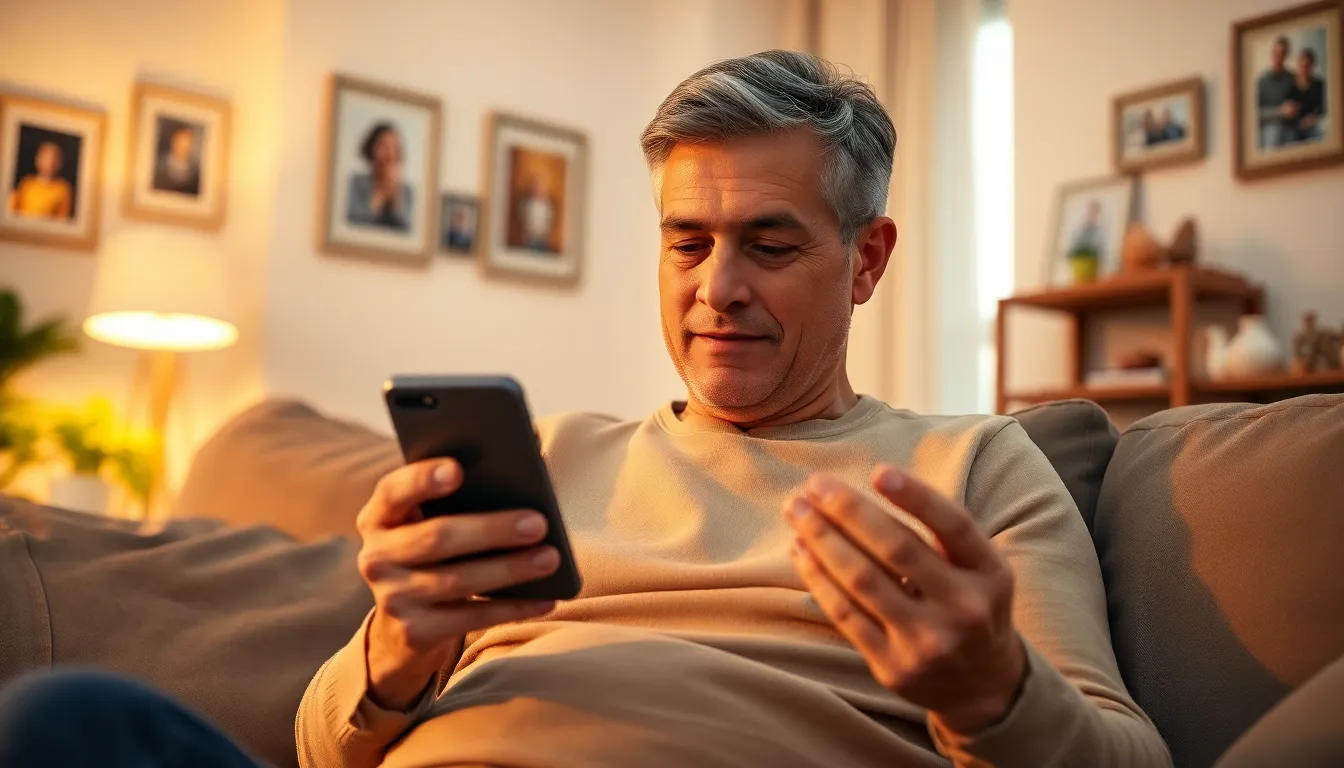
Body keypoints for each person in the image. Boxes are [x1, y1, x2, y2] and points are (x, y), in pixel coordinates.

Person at [0, 50, 1171, 768]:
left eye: (768, 243)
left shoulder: (975, 468)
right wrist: (399, 647)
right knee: (66, 722)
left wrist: (992, 694)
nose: (717, 287)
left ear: (866, 260)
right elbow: (319, 750)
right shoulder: (552, 459)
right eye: (686, 242)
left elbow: (1125, 758)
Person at [347, 122, 412, 231]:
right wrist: (381, 190)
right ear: (371, 148)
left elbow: (407, 228)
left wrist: (395, 192)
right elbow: (355, 221)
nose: (389, 153)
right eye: (384, 146)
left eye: (394, 147)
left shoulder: (407, 191)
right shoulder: (355, 183)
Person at [6, 140, 72, 219]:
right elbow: (11, 211)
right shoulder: (26, 182)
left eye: (55, 158)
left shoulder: (63, 188)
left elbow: (62, 220)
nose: (50, 162)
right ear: (38, 159)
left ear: (60, 163)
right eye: (46, 157)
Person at [1258, 35, 1298, 149]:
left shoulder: (1292, 78)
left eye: (1282, 54)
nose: (1279, 57)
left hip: (1290, 127)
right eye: (1277, 53)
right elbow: (1256, 114)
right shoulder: (1262, 82)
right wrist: (1279, 112)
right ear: (1272, 54)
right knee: (1275, 132)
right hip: (1270, 129)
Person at [1286, 47, 1326, 144]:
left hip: (1312, 125)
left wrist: (1312, 119)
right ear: (1299, 65)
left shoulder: (1319, 85)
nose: (1305, 70)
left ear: (1312, 65)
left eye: (1307, 66)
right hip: (1294, 127)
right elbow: (1287, 108)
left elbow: (1324, 108)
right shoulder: (1291, 85)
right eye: (1302, 66)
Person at [151, 124, 202, 196]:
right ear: (173, 141)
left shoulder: (196, 172)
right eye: (181, 141)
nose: (183, 146)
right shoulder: (158, 166)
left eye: (187, 142)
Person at [515, 172, 557, 252]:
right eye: (536, 187)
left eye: (540, 187)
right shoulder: (526, 203)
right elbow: (523, 219)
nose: (538, 189)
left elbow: (550, 221)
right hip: (529, 238)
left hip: (542, 238)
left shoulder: (548, 205)